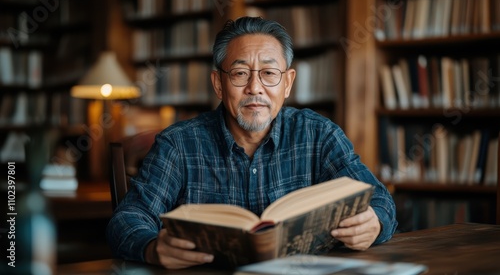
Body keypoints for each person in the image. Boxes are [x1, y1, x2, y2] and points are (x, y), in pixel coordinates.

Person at [107, 16, 397, 270]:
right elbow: (128, 218)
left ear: (288, 83)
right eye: (240, 73)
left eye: (269, 74)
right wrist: (152, 249)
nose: (255, 88)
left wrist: (375, 223)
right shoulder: (179, 144)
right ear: (219, 84)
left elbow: (380, 201)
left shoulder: (318, 134)